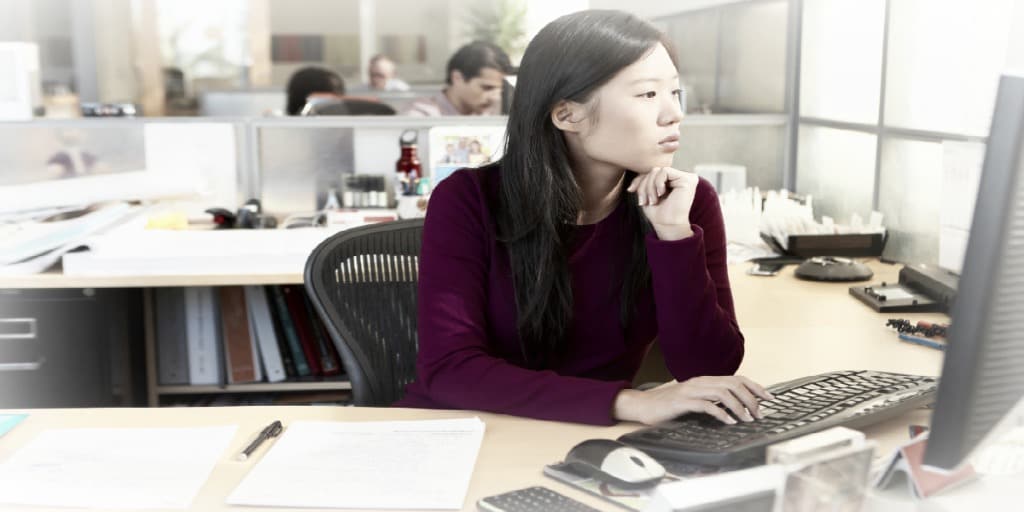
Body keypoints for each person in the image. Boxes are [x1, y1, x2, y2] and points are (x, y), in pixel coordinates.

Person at [396, 9, 772, 426]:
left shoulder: (686, 202)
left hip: (580, 439)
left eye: (675, 94)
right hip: (461, 434)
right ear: (567, 114)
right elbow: (449, 369)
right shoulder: (469, 199)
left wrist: (674, 236)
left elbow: (710, 369)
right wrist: (630, 403)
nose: (673, 114)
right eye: (648, 95)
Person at [402, 41, 511, 116]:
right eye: (487, 88)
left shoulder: (490, 117)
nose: (495, 97)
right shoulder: (421, 116)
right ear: (457, 78)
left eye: (499, 90)